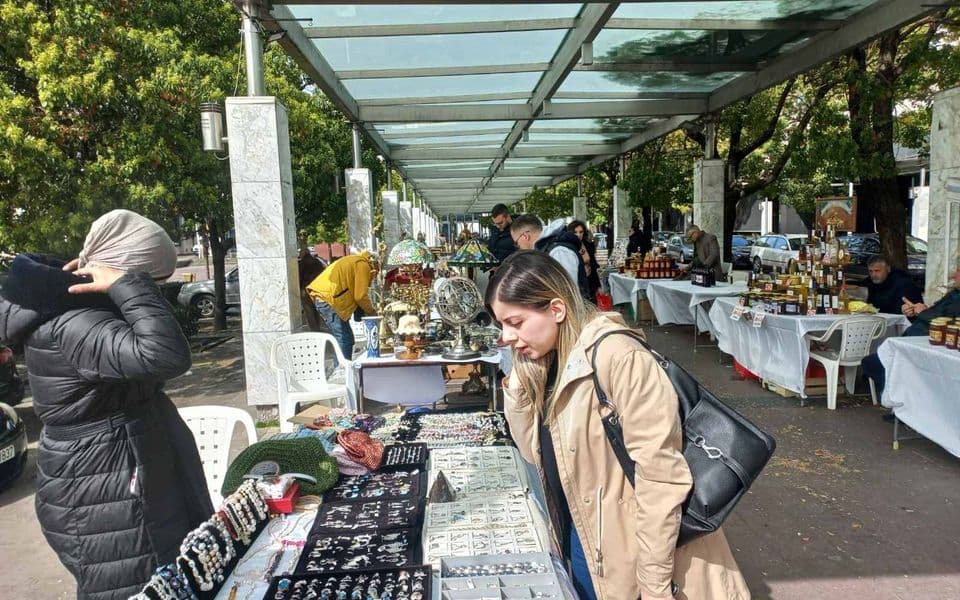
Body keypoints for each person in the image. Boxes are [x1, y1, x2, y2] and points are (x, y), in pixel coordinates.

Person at [486, 251, 750, 600]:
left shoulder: (619, 358)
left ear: (556, 309)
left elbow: (661, 478)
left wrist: (654, 585)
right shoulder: (545, 363)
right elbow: (532, 453)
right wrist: (520, 380)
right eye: (500, 325)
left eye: (516, 323)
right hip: (581, 537)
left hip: (632, 551)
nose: (506, 337)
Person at [0, 209, 212, 599]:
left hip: (117, 469)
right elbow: (165, 355)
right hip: (108, 485)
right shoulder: (77, 322)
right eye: (151, 281)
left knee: (167, 581)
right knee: (137, 586)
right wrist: (128, 287)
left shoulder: (87, 311)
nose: (156, 291)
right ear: (125, 271)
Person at [861, 263, 960, 398]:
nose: (954, 275)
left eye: (958, 271)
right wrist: (915, 309)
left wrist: (923, 312)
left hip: (927, 344)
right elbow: (935, 313)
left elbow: (944, 320)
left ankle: (901, 399)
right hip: (912, 339)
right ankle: (900, 397)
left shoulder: (902, 284)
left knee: (872, 363)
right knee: (872, 362)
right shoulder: (954, 293)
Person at [306, 251, 378, 360]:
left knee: (345, 338)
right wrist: (372, 311)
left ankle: (342, 368)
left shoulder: (354, 260)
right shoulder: (363, 265)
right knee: (345, 339)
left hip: (326, 298)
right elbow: (360, 296)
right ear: (374, 264)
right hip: (329, 299)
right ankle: (343, 371)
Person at [511, 215, 592, 303]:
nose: (518, 248)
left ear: (525, 236)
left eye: (516, 243)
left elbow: (567, 293)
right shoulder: (548, 248)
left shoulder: (559, 251)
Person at [569, 220, 601, 299]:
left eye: (581, 232)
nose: (578, 235)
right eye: (575, 232)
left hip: (590, 282)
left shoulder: (589, 245)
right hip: (576, 284)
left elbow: (593, 265)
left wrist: (598, 286)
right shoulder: (567, 247)